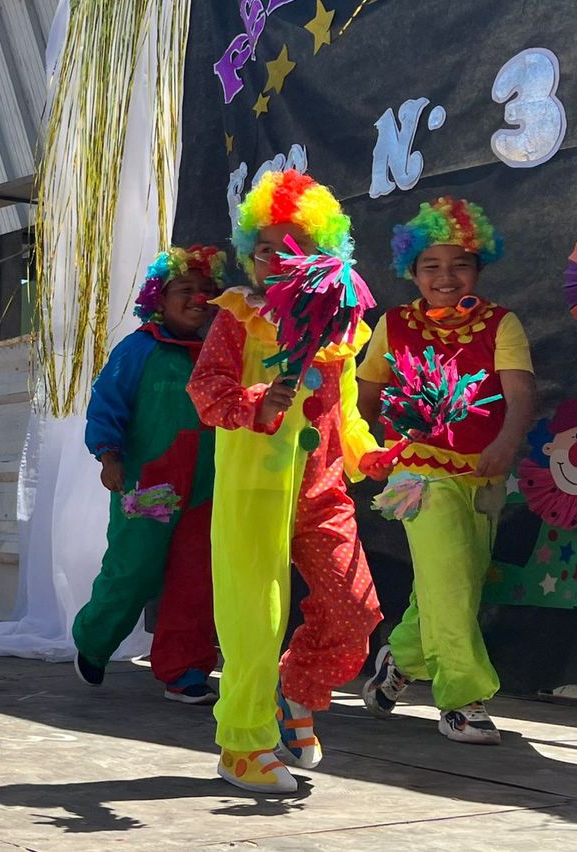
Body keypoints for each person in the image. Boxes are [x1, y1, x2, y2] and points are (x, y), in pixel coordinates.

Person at [186, 170, 388, 793]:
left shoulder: (339, 331)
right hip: (255, 493)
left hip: (323, 493)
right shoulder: (239, 318)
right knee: (255, 619)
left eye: (293, 243)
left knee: (355, 610)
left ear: (324, 253)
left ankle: (297, 692)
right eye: (265, 246)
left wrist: (377, 458)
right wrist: (259, 402)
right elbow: (206, 392)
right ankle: (241, 747)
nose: (276, 257)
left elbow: (347, 415)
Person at [359, 197, 535, 744]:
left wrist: (508, 440)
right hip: (417, 477)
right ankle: (462, 701)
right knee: (451, 586)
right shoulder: (392, 324)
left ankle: (401, 657)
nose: (445, 276)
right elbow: (364, 399)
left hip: (483, 478)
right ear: (411, 271)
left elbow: (521, 392)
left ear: (478, 268)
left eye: (459, 264)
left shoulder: (501, 323)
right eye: (431, 266)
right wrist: (382, 448)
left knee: (453, 586)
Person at [72, 245, 224, 703]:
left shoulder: (222, 352)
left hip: (206, 488)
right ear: (159, 298)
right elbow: (106, 405)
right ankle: (94, 641)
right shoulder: (138, 348)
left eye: (205, 291)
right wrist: (109, 457)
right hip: (149, 487)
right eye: (184, 290)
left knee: (195, 579)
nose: (197, 298)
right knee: (132, 571)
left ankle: (185, 671)